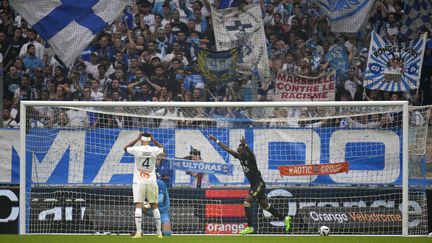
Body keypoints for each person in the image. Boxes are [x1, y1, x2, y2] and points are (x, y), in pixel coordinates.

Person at [209, 135, 292, 235]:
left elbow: (252, 153)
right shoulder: (240, 158)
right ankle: (285, 218)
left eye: (240, 151)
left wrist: (246, 145)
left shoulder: (251, 158)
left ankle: (250, 227)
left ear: (245, 151)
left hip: (259, 184)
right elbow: (227, 149)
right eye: (238, 151)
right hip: (254, 185)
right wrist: (216, 140)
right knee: (265, 205)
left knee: (247, 203)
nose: (238, 153)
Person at [124, 132, 164, 239]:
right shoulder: (154, 149)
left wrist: (136, 139)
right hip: (151, 180)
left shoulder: (137, 149)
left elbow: (125, 148)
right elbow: (162, 148)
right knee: (155, 205)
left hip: (139, 180)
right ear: (149, 140)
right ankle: (159, 233)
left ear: (141, 140)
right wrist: (154, 139)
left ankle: (138, 232)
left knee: (138, 205)